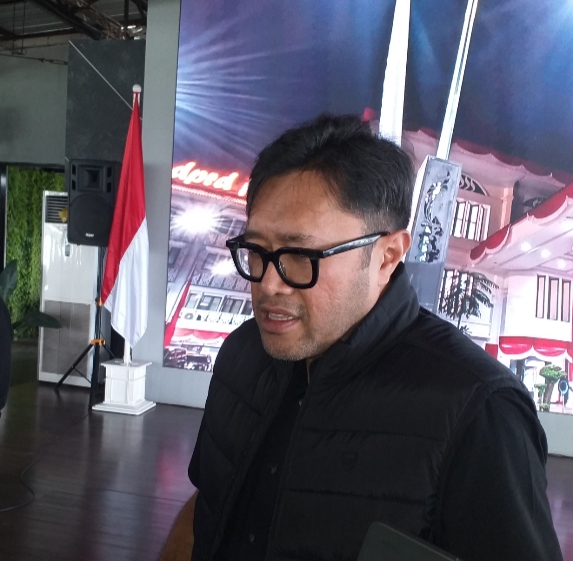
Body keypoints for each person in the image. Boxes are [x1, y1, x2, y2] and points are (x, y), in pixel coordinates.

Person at [178, 115, 562, 561]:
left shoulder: (478, 412)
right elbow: (207, 507)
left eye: (300, 255)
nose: (269, 284)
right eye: (257, 250)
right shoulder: (243, 353)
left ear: (388, 255)